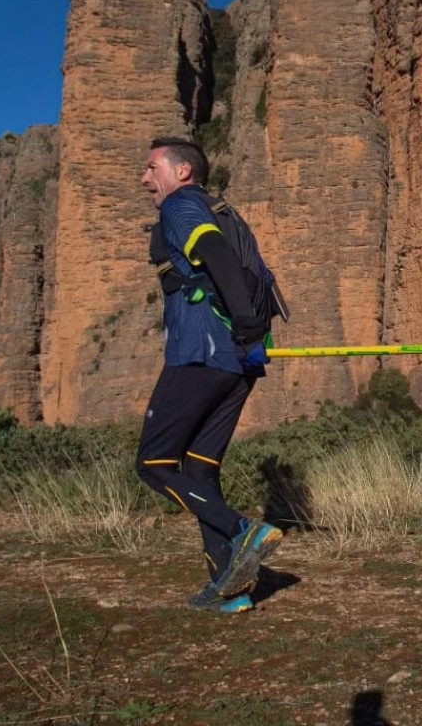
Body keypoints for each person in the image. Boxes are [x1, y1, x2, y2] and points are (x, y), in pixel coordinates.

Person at [136, 137, 283, 614]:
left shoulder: (182, 206)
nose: (145, 179)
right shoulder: (223, 209)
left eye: (152, 167)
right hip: (241, 363)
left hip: (203, 352)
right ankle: (231, 589)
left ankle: (244, 531)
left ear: (182, 172)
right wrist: (247, 331)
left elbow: (214, 253)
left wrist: (240, 320)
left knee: (154, 464)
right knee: (199, 469)